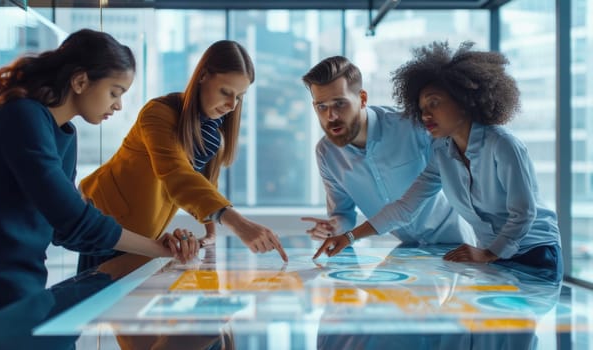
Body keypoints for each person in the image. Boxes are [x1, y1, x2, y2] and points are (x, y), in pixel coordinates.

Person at [0, 29, 198, 323]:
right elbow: (72, 217)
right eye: (114, 92)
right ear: (80, 81)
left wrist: (156, 246)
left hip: (26, 289)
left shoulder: (64, 133)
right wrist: (154, 248)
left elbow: (65, 231)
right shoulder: (21, 117)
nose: (118, 105)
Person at [314, 41, 562, 276]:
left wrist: (489, 252)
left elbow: (524, 212)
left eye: (434, 103)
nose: (425, 115)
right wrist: (348, 237)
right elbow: (404, 208)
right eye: (422, 109)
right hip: (489, 254)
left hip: (534, 251)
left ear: (463, 100)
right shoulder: (443, 155)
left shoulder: (503, 144)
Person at [77, 39, 287, 274]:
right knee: (94, 299)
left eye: (239, 97)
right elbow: (177, 174)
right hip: (106, 220)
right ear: (203, 76)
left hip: (143, 234)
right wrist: (238, 224)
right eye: (226, 92)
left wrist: (209, 235)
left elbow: (205, 185)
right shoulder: (158, 113)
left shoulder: (212, 133)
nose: (231, 104)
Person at [300, 55, 474, 246]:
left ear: (362, 99)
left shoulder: (412, 126)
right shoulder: (326, 154)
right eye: (321, 107)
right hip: (407, 249)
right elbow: (343, 214)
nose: (330, 116)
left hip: (457, 241)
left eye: (340, 103)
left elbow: (461, 174)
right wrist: (333, 228)